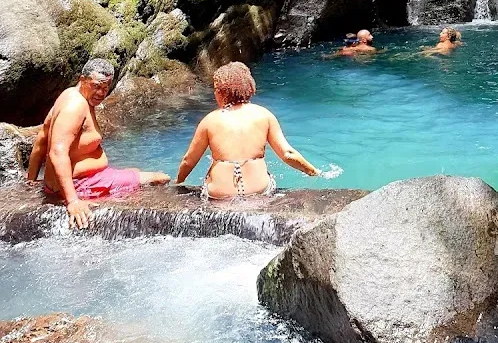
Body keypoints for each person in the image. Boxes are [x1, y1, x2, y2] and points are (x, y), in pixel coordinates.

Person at [27, 59, 171, 230]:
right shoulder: (75, 106)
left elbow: (42, 138)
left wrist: (31, 180)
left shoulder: (69, 94)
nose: (101, 93)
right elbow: (57, 152)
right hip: (82, 185)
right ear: (82, 80)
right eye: (96, 86)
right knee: (160, 178)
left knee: (136, 172)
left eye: (106, 87)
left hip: (84, 180)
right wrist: (72, 201)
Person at [175, 62, 320, 199]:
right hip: (260, 192)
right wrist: (313, 172)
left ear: (221, 93)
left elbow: (188, 161)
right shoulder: (264, 115)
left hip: (219, 196)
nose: (214, 94)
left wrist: (178, 182)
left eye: (215, 89)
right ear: (249, 87)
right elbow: (288, 154)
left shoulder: (210, 120)